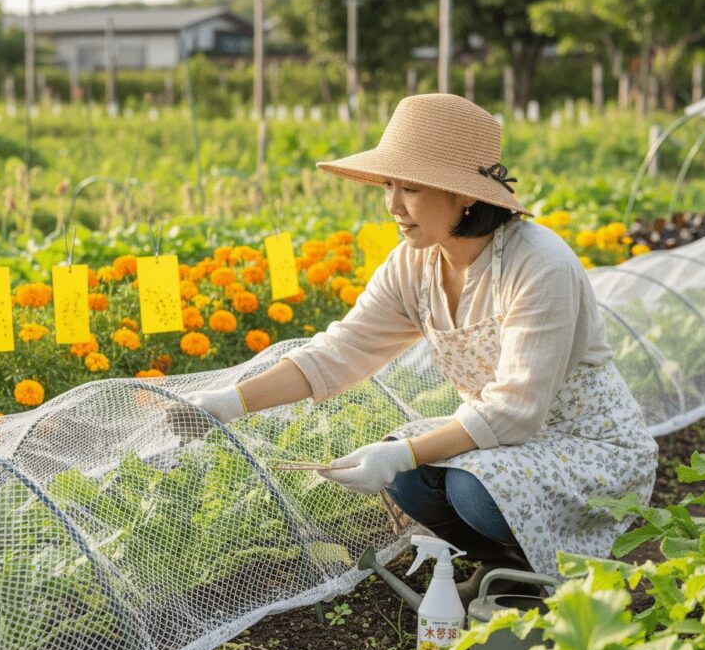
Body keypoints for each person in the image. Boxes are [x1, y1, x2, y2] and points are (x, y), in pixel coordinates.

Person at [184, 93, 658, 605]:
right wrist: (228, 404)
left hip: (590, 452)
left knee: (469, 488)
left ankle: (561, 581)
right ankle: (509, 571)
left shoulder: (538, 265)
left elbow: (515, 412)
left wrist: (400, 453)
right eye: (388, 184)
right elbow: (341, 351)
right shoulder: (417, 264)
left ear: (465, 196)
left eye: (409, 187)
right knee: (412, 480)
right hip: (514, 446)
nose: (392, 204)